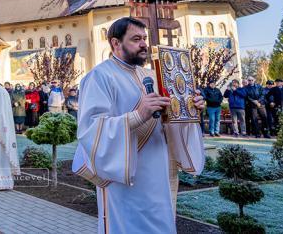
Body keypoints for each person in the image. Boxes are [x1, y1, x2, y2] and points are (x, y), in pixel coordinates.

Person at [72, 17, 205, 234]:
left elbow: (167, 123)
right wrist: (138, 115)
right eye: (136, 39)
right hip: (124, 177)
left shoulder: (151, 76)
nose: (144, 43)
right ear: (116, 43)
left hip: (158, 173)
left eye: (144, 38)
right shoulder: (99, 77)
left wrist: (189, 108)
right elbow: (90, 130)